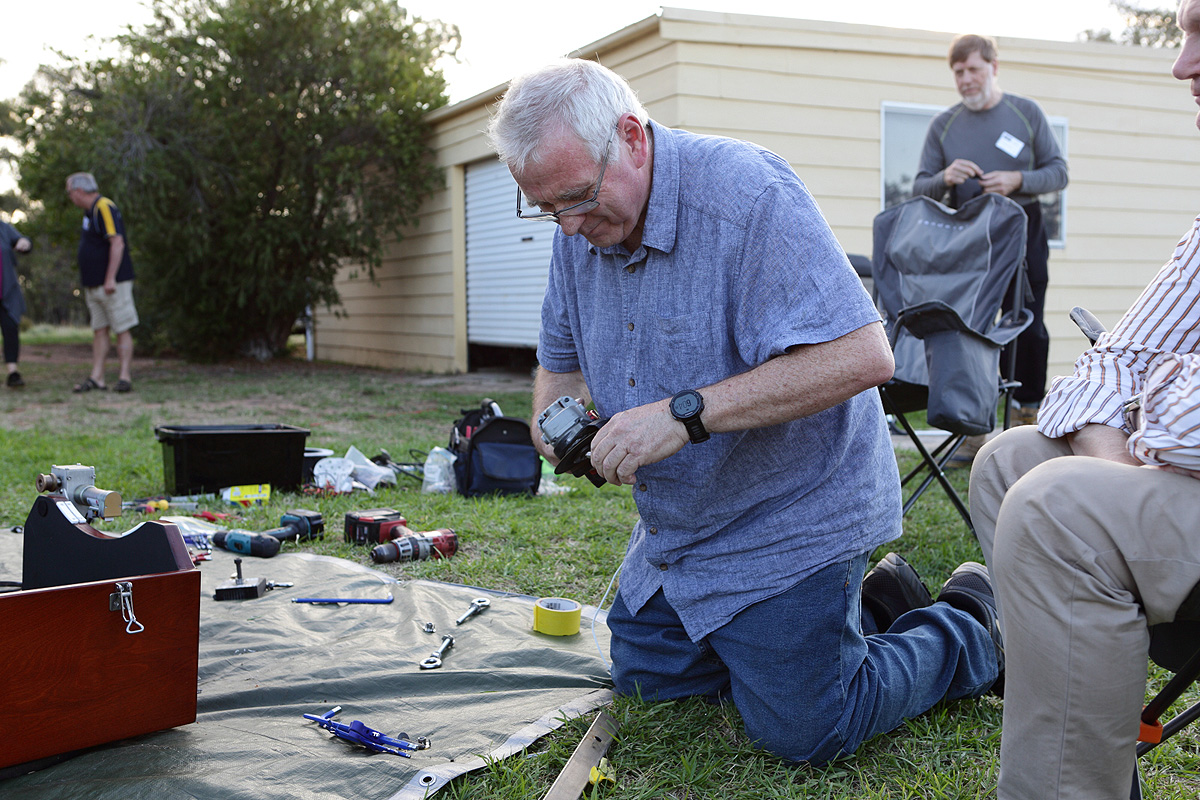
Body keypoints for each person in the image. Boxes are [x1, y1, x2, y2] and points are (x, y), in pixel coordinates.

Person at [487, 58, 1003, 765]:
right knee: (647, 683)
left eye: (576, 197)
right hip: (686, 532)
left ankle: (969, 625)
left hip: (793, 514)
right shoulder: (576, 228)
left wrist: (682, 415)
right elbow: (557, 362)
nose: (568, 226)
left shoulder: (747, 195)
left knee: (804, 729)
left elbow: (864, 357)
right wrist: (557, 428)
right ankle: (873, 605)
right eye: (547, 208)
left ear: (632, 138)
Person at [968, 3, 1200, 796]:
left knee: (1057, 505)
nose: (1181, 66)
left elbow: (1183, 420)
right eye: (1180, 35)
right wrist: (1126, 451)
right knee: (1010, 463)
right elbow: (1110, 363)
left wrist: (1149, 414)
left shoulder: (1024, 117)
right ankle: (1086, 771)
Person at [913, 34, 1069, 439]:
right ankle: (972, 429)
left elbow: (1059, 172)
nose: (966, 79)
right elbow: (918, 189)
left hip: (1023, 231)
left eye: (974, 70)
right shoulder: (942, 125)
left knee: (1027, 327)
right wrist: (944, 178)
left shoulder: (1025, 113)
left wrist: (1019, 178)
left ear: (994, 68)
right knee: (969, 328)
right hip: (967, 236)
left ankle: (1027, 417)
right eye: (958, 72)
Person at [66, 172, 138, 393]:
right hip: (94, 285)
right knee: (99, 330)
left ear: (79, 191)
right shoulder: (89, 212)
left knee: (122, 328)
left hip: (112, 285)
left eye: (69, 192)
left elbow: (117, 243)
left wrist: (110, 278)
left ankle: (124, 377)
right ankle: (97, 378)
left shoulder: (104, 206)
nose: (69, 197)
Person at [0, 219, 32, 388]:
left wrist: (24, 242)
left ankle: (13, 373)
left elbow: (23, 240)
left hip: (6, 291)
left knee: (10, 329)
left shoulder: (3, 228)